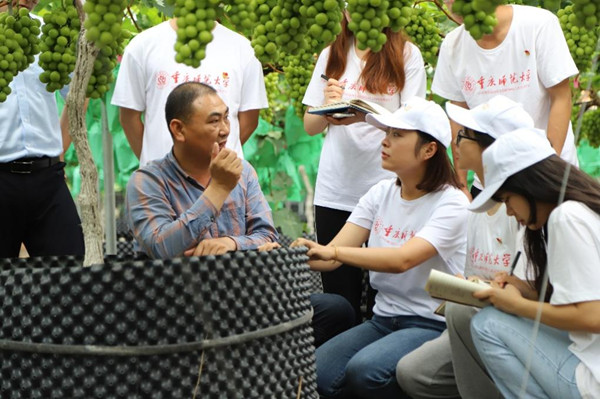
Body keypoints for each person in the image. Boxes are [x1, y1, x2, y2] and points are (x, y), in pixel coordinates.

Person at [126, 81, 354, 347]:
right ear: (179, 129)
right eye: (214, 121)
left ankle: (276, 373)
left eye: (226, 118)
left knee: (336, 309)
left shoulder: (243, 172)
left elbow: (266, 235)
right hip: (182, 308)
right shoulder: (148, 181)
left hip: (246, 298)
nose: (224, 130)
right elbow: (161, 247)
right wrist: (218, 189)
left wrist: (231, 243)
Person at [292, 97, 468, 398]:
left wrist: (332, 252)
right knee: (319, 372)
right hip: (384, 319)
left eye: (397, 135)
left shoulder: (451, 203)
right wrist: (293, 255)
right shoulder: (380, 193)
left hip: (431, 324)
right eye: (387, 133)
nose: (384, 141)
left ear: (429, 149)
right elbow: (330, 258)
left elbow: (402, 259)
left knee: (366, 371)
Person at [396, 95, 531, 399]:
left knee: (460, 311)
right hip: (478, 315)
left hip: (515, 323)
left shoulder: (527, 208)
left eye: (464, 134)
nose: (455, 140)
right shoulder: (476, 205)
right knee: (414, 374)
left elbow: (525, 292)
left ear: (491, 148)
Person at [302, 11, 427, 321]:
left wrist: (365, 116)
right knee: (337, 301)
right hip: (335, 191)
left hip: (386, 192)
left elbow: (414, 124)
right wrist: (325, 104)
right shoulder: (332, 52)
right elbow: (310, 125)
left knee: (381, 298)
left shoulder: (406, 54)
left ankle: (370, 364)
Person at [467, 129, 600, 399]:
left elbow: (591, 316)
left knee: (488, 324)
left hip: (592, 379)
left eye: (506, 200)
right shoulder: (584, 207)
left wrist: (517, 305)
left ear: (527, 184)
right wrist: (523, 287)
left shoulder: (566, 217)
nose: (509, 211)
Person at [433, 2, 579, 199]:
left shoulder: (539, 24)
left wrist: (547, 168)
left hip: (549, 176)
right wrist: (461, 185)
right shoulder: (453, 44)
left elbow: (561, 98)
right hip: (490, 183)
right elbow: (458, 116)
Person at [112, 19, 267, 167]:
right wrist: (157, 166)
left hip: (223, 182)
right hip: (161, 186)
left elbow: (249, 121)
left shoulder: (243, 49)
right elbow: (129, 118)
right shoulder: (142, 46)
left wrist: (214, 159)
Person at [0, 0, 84, 258]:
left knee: (71, 273)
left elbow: (78, 92)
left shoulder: (49, 34)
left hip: (48, 180)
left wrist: (61, 144)